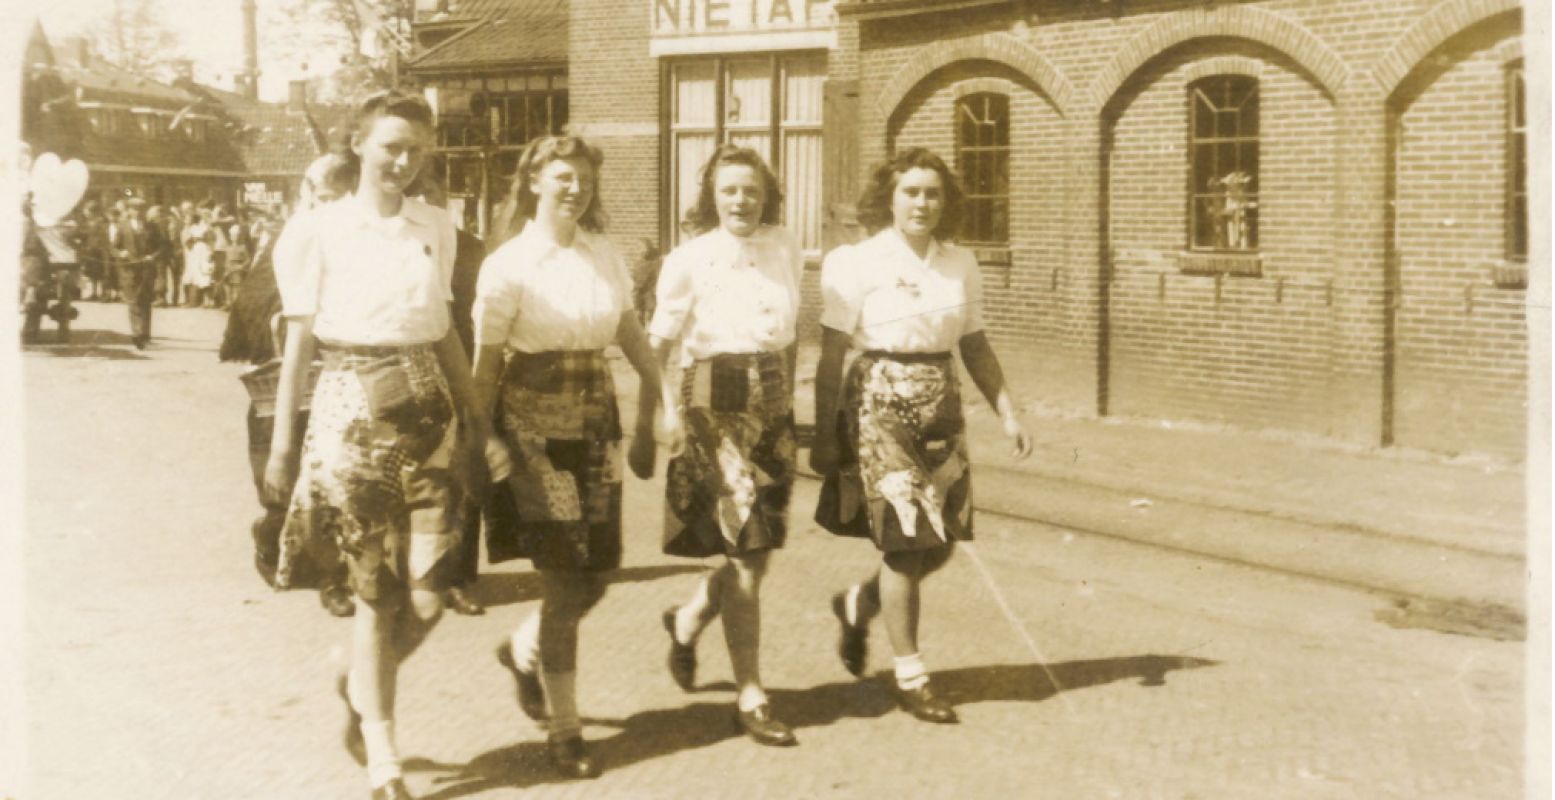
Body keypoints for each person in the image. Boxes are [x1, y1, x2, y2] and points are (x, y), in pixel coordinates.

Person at [264, 90, 487, 800]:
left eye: (417, 148)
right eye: (390, 145)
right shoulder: (318, 230)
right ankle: (385, 756)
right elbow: (298, 341)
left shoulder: (436, 224)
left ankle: (357, 683)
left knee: (426, 596)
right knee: (375, 591)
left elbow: (445, 326)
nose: (403, 160)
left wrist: (477, 416)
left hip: (430, 415)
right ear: (358, 145)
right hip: (351, 411)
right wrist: (282, 444)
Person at [810, 148, 1033, 724]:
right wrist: (824, 433)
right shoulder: (855, 261)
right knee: (905, 540)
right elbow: (832, 354)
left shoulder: (960, 263)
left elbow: (975, 344)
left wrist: (1008, 410)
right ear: (890, 196)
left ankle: (860, 603)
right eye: (911, 191)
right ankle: (911, 675)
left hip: (941, 402)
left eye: (933, 193)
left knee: (943, 538)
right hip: (878, 401)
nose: (922, 203)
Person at [471, 135, 660, 779]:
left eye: (583, 178)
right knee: (561, 576)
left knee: (600, 571)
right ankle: (565, 729)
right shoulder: (508, 263)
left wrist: (652, 409)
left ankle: (524, 653)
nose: (574, 188)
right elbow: (486, 364)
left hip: (596, 422)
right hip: (536, 432)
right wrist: (486, 438)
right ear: (533, 183)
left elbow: (631, 335)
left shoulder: (603, 253)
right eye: (562, 177)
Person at [648, 144, 802, 747]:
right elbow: (658, 347)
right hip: (713, 405)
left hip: (773, 409)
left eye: (752, 190)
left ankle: (686, 621)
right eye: (730, 189)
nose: (742, 200)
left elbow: (790, 337)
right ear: (711, 194)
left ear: (767, 194)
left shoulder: (785, 246)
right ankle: (752, 696)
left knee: (756, 554)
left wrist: (790, 408)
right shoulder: (689, 259)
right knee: (744, 554)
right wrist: (666, 412)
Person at [221, 154, 357, 618]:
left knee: (333, 482)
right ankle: (273, 536)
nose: (330, 208)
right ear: (306, 194)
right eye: (322, 198)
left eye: (339, 199)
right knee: (277, 481)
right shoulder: (287, 238)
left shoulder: (355, 242)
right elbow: (253, 304)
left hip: (334, 383)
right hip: (278, 384)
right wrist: (276, 325)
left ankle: (333, 577)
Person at [111, 197, 162, 349]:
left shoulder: (152, 227)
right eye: (134, 209)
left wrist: (152, 256)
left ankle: (145, 334)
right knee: (133, 302)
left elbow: (162, 247)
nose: (138, 212)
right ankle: (137, 334)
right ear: (129, 211)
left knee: (145, 302)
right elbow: (113, 248)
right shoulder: (122, 227)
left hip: (147, 269)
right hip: (129, 270)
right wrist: (121, 254)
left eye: (141, 209)